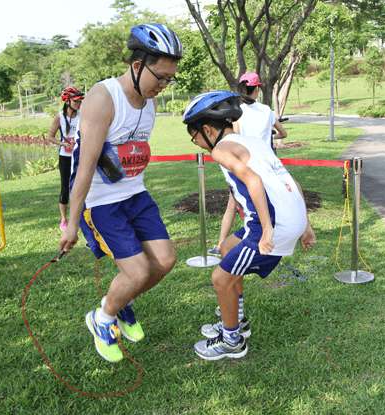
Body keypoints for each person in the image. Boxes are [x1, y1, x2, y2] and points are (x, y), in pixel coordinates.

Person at [59, 23, 182, 363]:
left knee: (166, 260)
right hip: (101, 202)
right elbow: (83, 166)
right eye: (160, 77)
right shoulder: (103, 98)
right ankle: (102, 319)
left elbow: (133, 153)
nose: (164, 86)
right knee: (137, 272)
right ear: (138, 65)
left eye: (170, 79)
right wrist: (71, 222)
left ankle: (121, 302)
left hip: (135, 194)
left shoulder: (149, 102)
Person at [183, 91, 316, 360]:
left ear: (207, 129)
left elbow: (253, 181)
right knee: (227, 248)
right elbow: (292, 183)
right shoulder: (252, 142)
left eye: (194, 136)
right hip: (287, 218)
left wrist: (267, 230)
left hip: (272, 224)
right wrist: (307, 226)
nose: (195, 142)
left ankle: (232, 340)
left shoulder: (221, 149)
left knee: (220, 278)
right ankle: (237, 319)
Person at [208, 72, 287, 255]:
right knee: (273, 204)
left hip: (244, 164)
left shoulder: (237, 113)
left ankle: (221, 244)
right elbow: (283, 134)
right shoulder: (267, 111)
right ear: (257, 88)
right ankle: (273, 239)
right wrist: (270, 135)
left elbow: (234, 139)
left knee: (233, 204)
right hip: (268, 165)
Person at [46, 87, 84, 231]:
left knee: (81, 185)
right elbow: (50, 137)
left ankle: (82, 217)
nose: (79, 103)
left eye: (80, 101)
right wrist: (63, 143)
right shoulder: (59, 117)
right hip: (65, 156)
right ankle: (63, 220)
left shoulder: (82, 115)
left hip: (80, 155)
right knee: (65, 188)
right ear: (67, 101)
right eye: (76, 101)